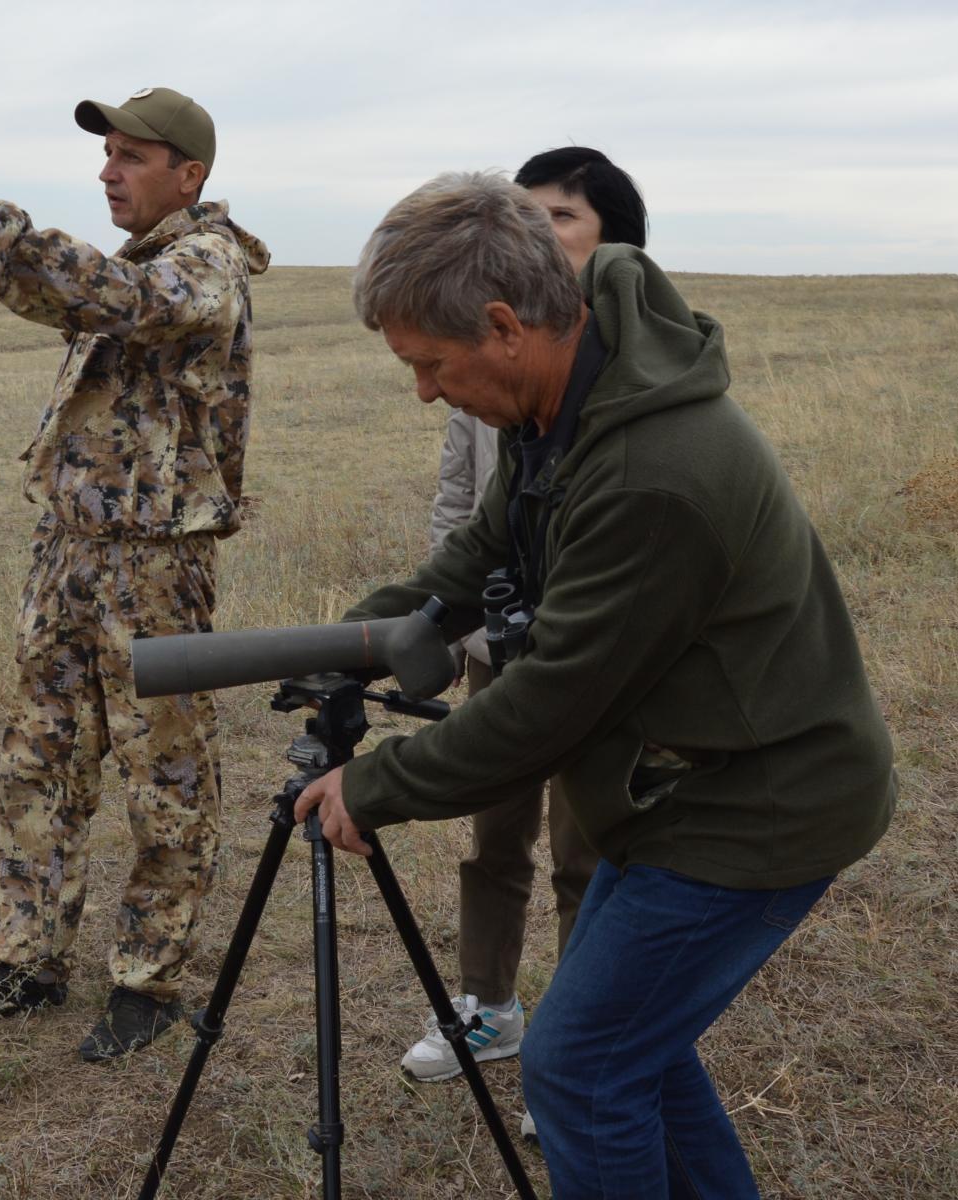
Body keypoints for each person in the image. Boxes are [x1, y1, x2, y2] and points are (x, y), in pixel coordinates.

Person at [297, 172, 893, 1196]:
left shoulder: (650, 473)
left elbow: (545, 707)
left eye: (431, 365)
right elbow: (481, 554)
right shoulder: (564, 400)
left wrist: (375, 786)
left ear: (502, 324)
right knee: (631, 1056)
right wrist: (365, 634)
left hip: (755, 807)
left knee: (575, 1068)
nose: (424, 393)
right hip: (672, 793)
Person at [0, 87, 270, 1061]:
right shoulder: (133, 263)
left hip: (154, 566)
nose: (107, 171)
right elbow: (81, 291)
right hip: (66, 552)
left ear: (188, 175)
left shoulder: (205, 266)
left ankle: (145, 982)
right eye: (105, 155)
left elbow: (117, 299)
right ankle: (26, 963)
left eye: (132, 157)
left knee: (164, 777)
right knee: (39, 762)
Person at [403, 148, 648, 1091]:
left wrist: (379, 785)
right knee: (493, 835)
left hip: (588, 654)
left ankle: (575, 1048)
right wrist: (448, 623)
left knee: (587, 850)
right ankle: (485, 1007)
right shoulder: (486, 362)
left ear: (613, 244)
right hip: (490, 637)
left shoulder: (631, 392)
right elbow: (461, 507)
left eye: (560, 219)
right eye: (526, 216)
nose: (539, 235)